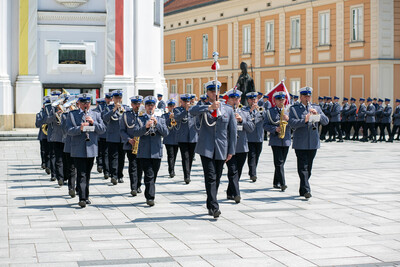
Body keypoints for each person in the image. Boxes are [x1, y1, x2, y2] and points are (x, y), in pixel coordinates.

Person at [189, 80, 237, 218]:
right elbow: (192, 111)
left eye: (216, 91)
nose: (214, 93)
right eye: (211, 91)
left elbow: (232, 132)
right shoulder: (202, 106)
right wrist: (209, 108)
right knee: (210, 176)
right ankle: (215, 207)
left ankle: (211, 203)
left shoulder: (227, 109)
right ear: (207, 93)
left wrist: (231, 150)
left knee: (217, 177)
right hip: (206, 147)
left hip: (222, 148)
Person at [288, 86, 329, 200]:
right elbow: (292, 123)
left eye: (309, 96)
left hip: (313, 142)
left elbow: (326, 122)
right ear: (301, 97)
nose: (307, 98)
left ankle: (303, 187)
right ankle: (307, 189)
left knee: (309, 168)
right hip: (300, 142)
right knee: (303, 167)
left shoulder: (316, 107)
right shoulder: (294, 108)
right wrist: (304, 120)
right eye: (305, 96)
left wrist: (318, 115)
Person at [66, 94, 106, 208]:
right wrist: (80, 128)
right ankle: (82, 198)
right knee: (81, 173)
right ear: (79, 103)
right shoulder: (72, 114)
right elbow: (68, 130)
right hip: (78, 148)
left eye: (87, 103)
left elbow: (102, 129)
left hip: (91, 148)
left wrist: (93, 123)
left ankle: (86, 196)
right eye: (83, 103)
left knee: (87, 174)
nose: (85, 105)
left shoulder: (96, 114)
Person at [132, 96, 169, 206]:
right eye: (148, 105)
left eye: (152, 105)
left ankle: (149, 190)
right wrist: (145, 127)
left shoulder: (160, 118)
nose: (150, 107)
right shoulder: (140, 119)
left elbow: (166, 133)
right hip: (144, 152)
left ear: (155, 106)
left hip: (156, 152)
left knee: (153, 175)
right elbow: (135, 132)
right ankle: (150, 197)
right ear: (145, 106)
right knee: (149, 175)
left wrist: (157, 124)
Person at [225, 88, 255, 203]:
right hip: (229, 147)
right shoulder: (226, 111)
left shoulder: (245, 112)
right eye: (232, 98)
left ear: (240, 99)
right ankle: (237, 194)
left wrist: (242, 120)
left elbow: (251, 128)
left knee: (238, 171)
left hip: (242, 146)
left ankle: (230, 192)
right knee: (232, 171)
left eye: (237, 98)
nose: (235, 101)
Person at [264, 91, 291, 191]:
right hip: (275, 140)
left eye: (283, 99)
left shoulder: (289, 111)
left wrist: (289, 120)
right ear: (275, 101)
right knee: (279, 162)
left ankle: (276, 181)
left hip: (286, 139)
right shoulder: (270, 111)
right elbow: (265, 125)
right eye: (279, 99)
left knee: (281, 162)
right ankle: (283, 183)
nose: (281, 101)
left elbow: (294, 125)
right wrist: (275, 129)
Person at [103, 90, 130, 185]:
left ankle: (120, 175)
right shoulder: (108, 108)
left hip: (122, 137)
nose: (118, 100)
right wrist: (113, 109)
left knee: (122, 157)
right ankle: (113, 175)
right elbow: (105, 118)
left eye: (119, 98)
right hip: (112, 136)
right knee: (113, 157)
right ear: (113, 98)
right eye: (116, 98)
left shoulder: (126, 108)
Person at [120, 95, 144, 197]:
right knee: (133, 166)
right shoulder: (126, 115)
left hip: (142, 145)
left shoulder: (144, 115)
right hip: (131, 144)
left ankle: (138, 184)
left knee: (140, 166)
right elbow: (122, 130)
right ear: (131, 104)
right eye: (135, 104)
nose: (137, 105)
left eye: (139, 103)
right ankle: (133, 187)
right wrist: (128, 139)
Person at [174, 94, 199, 184]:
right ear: (181, 102)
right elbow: (177, 118)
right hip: (182, 137)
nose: (187, 103)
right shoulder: (177, 109)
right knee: (185, 157)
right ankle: (186, 175)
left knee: (191, 157)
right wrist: (185, 111)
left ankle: (189, 172)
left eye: (188, 101)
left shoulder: (193, 109)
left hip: (193, 137)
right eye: (185, 101)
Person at [244, 92, 265, 182]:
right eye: (251, 99)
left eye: (255, 99)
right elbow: (246, 119)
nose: (253, 101)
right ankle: (253, 173)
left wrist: (261, 111)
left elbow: (266, 118)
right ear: (248, 100)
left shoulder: (260, 110)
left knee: (257, 155)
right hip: (249, 137)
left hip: (259, 136)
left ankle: (252, 171)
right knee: (252, 155)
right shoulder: (245, 110)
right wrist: (251, 111)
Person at [61, 97, 78, 198]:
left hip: (80, 145)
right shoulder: (65, 115)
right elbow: (64, 130)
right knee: (71, 168)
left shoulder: (84, 115)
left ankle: (79, 188)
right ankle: (71, 188)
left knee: (80, 169)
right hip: (69, 145)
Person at [162, 99, 179, 178]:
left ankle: (172, 167)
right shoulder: (164, 115)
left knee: (174, 155)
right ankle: (171, 170)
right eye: (170, 106)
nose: (172, 107)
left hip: (176, 137)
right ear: (167, 107)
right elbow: (163, 125)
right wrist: (169, 118)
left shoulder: (178, 115)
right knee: (170, 155)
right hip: (168, 138)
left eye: (173, 106)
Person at [36, 96, 51, 174]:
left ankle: (49, 165)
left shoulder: (52, 113)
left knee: (50, 151)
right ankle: (44, 163)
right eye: (46, 105)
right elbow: (37, 124)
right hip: (43, 134)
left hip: (51, 134)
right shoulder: (40, 114)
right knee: (43, 150)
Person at [93, 98, 107, 174]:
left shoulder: (97, 111)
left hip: (102, 133)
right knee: (103, 152)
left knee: (101, 151)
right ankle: (101, 166)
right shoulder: (95, 111)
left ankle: (101, 165)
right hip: (101, 134)